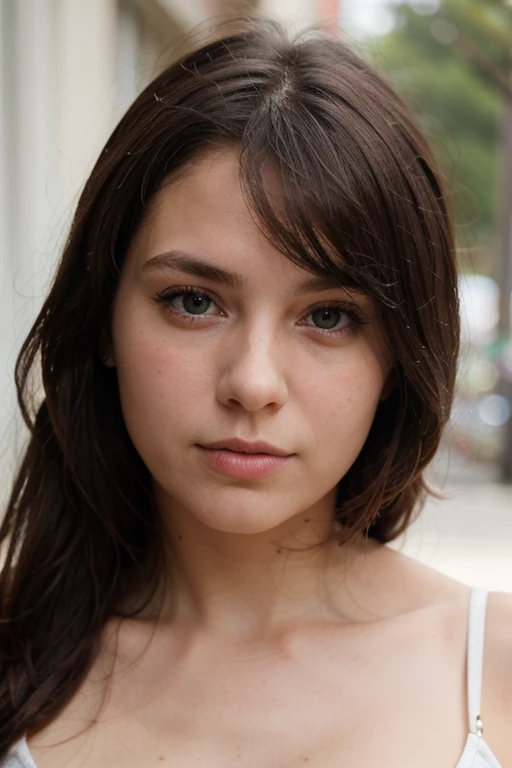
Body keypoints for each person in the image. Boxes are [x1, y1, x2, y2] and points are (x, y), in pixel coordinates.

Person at [0, 16, 509, 768]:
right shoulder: (17, 651)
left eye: (329, 317)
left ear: (399, 358)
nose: (253, 383)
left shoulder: (491, 672)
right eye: (193, 302)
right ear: (103, 318)